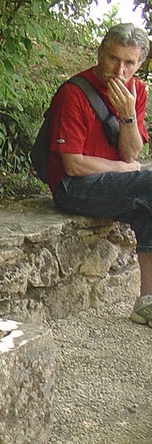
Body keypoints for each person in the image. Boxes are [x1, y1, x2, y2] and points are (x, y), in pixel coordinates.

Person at [45, 22, 151, 325]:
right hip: (72, 186)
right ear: (100, 54)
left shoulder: (136, 92)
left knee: (147, 210)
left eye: (129, 63)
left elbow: (131, 154)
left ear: (139, 64)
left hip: (110, 183)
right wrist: (121, 168)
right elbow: (72, 165)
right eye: (113, 59)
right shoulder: (74, 93)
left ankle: (147, 303)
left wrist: (128, 115)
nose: (120, 70)